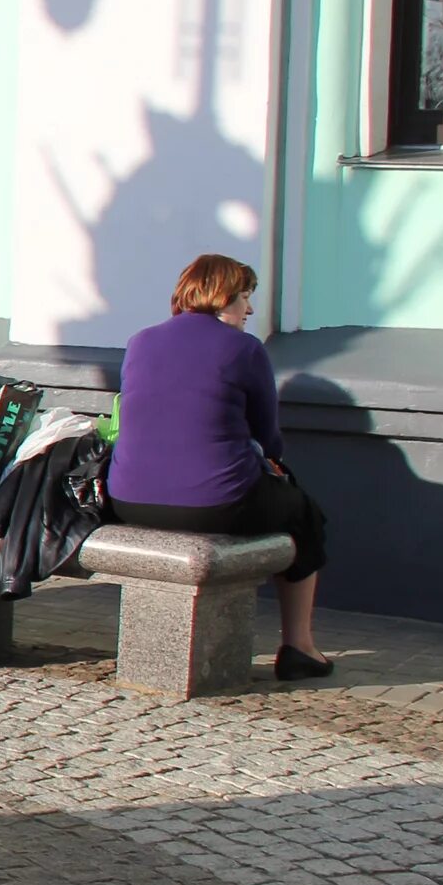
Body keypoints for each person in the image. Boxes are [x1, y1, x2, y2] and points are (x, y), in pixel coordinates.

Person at [107, 252, 333, 681]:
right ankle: (299, 647)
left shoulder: (141, 340)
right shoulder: (244, 348)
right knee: (305, 513)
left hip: (128, 500)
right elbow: (269, 439)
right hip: (215, 503)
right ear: (221, 295)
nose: (249, 310)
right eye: (245, 297)